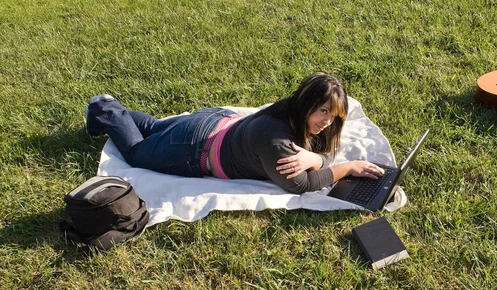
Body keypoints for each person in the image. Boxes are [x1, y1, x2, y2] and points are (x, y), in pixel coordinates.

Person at [85, 72, 384, 194]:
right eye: (323, 112)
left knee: (154, 128)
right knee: (138, 153)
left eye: (334, 117)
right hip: (195, 147)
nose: (328, 123)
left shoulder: (296, 114)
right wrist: (346, 167)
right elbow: (299, 185)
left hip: (214, 124)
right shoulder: (276, 140)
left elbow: (327, 149)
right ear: (306, 103)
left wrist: (316, 159)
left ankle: (113, 113)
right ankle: (105, 108)